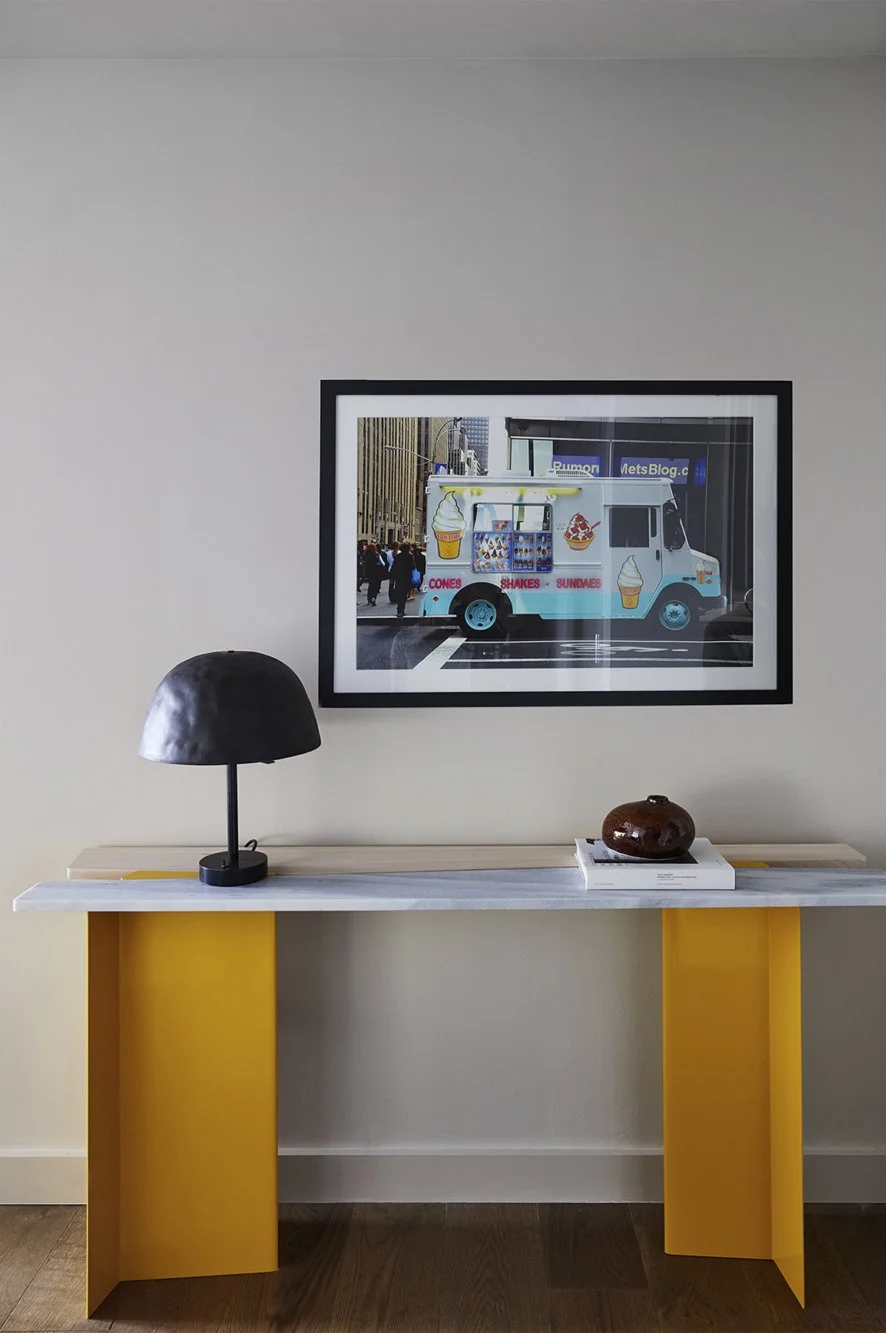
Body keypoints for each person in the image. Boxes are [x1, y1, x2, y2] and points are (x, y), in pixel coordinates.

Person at [389, 541, 416, 619]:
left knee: (400, 593)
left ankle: (399, 610)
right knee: (404, 594)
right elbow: (413, 567)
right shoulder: (410, 557)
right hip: (407, 577)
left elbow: (394, 568)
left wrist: (392, 577)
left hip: (399, 578)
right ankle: (401, 609)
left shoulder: (397, 557)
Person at [363, 542, 384, 607]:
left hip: (369, 571)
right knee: (376, 586)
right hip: (376, 572)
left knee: (371, 585)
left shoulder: (365, 554)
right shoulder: (376, 554)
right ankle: (373, 598)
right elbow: (381, 563)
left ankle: (369, 598)